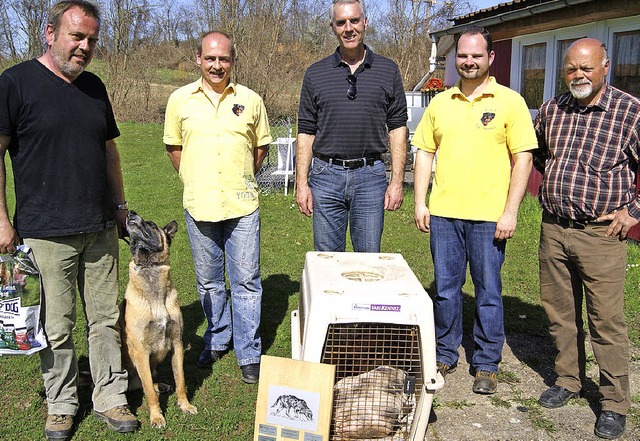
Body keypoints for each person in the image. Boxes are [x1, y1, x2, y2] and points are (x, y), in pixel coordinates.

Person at [0, 1, 138, 440]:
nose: (84, 47)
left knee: (104, 319)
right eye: (76, 36)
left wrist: (119, 206)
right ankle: (60, 404)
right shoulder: (15, 83)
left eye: (92, 40)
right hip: (45, 232)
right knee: (56, 325)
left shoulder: (95, 87)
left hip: (99, 226)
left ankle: (110, 397)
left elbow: (109, 151)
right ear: (50, 32)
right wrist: (1, 221)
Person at [412, 26, 536, 395]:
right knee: (447, 290)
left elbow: (524, 158)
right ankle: (446, 353)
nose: (468, 61)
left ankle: (486, 362)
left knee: (488, 291)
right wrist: (421, 201)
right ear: (455, 58)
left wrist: (510, 211)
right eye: (462, 55)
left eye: (476, 55)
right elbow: (424, 153)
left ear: (490, 58)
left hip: (488, 218)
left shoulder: (510, 102)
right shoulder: (440, 102)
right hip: (445, 215)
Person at [534, 38, 639, 440]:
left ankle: (614, 403)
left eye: (587, 68)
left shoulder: (629, 112)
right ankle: (568, 379)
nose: (578, 76)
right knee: (560, 313)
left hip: (601, 234)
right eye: (572, 69)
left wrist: (633, 211)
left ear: (605, 67)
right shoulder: (552, 109)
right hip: (554, 228)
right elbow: (538, 154)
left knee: (606, 321)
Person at [163, 31, 271, 384]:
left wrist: (238, 179)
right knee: (209, 282)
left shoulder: (251, 100)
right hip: (200, 206)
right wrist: (197, 180)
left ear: (232, 61)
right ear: (198, 58)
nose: (216, 65)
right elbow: (174, 149)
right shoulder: (180, 100)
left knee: (246, 280)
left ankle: (248, 351)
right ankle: (218, 337)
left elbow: (260, 149)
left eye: (223, 59)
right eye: (210, 58)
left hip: (242, 206)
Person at [296, 0, 408, 252]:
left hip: (370, 177)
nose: (349, 28)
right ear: (333, 28)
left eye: (354, 20)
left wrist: (397, 181)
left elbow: (398, 128)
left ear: (365, 23)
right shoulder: (315, 73)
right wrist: (302, 183)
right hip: (326, 177)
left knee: (368, 262)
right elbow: (305, 131)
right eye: (341, 22)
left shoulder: (388, 70)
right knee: (327, 262)